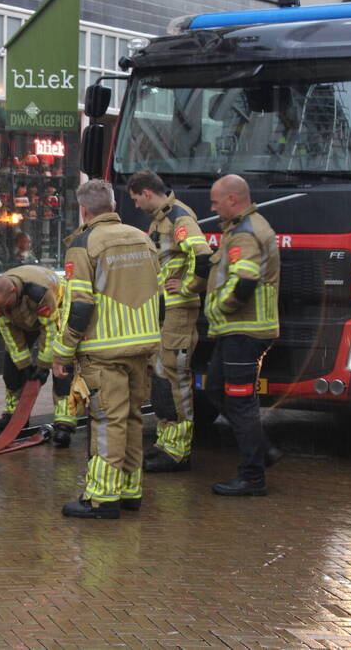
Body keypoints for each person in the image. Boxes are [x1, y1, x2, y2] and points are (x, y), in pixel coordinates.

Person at [52, 179, 161, 519]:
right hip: (141, 346)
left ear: (83, 210)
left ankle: (101, 497)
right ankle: (130, 490)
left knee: (105, 421)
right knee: (131, 417)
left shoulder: (84, 245)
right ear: (113, 206)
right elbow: (160, 294)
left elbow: (81, 305)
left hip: (103, 351)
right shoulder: (143, 239)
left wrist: (63, 350)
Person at [127, 170, 212, 473]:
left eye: (136, 199)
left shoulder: (178, 218)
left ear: (147, 193)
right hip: (164, 313)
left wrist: (188, 287)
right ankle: (166, 444)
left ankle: (178, 451)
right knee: (162, 378)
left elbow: (202, 256)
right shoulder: (163, 219)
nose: (135, 205)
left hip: (177, 314)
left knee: (174, 380)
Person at [204, 174, 281, 496]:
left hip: (244, 331)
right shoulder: (242, 227)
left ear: (232, 200)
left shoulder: (245, 233)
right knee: (217, 390)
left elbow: (245, 281)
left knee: (239, 403)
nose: (212, 206)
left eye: (215, 201)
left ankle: (252, 477)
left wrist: (222, 307)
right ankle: (263, 452)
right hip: (239, 331)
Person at [0, 265, 76, 449]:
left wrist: (43, 366)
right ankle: (15, 415)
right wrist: (24, 365)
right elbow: (8, 332)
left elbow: (50, 331)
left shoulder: (38, 292)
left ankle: (64, 423)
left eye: (7, 305)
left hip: (56, 312)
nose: (4, 310)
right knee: (11, 368)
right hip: (23, 321)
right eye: (0, 307)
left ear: (14, 291)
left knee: (61, 367)